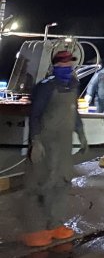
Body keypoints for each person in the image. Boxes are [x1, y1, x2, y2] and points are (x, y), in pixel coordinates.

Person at [22, 50, 89, 247]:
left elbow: (74, 112)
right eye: (63, 63)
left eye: (70, 64)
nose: (67, 67)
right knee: (39, 185)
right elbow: (34, 115)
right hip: (45, 145)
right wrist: (35, 141)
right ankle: (35, 230)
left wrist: (82, 134)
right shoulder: (45, 87)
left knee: (62, 183)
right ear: (54, 66)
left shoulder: (72, 87)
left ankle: (55, 225)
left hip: (63, 146)